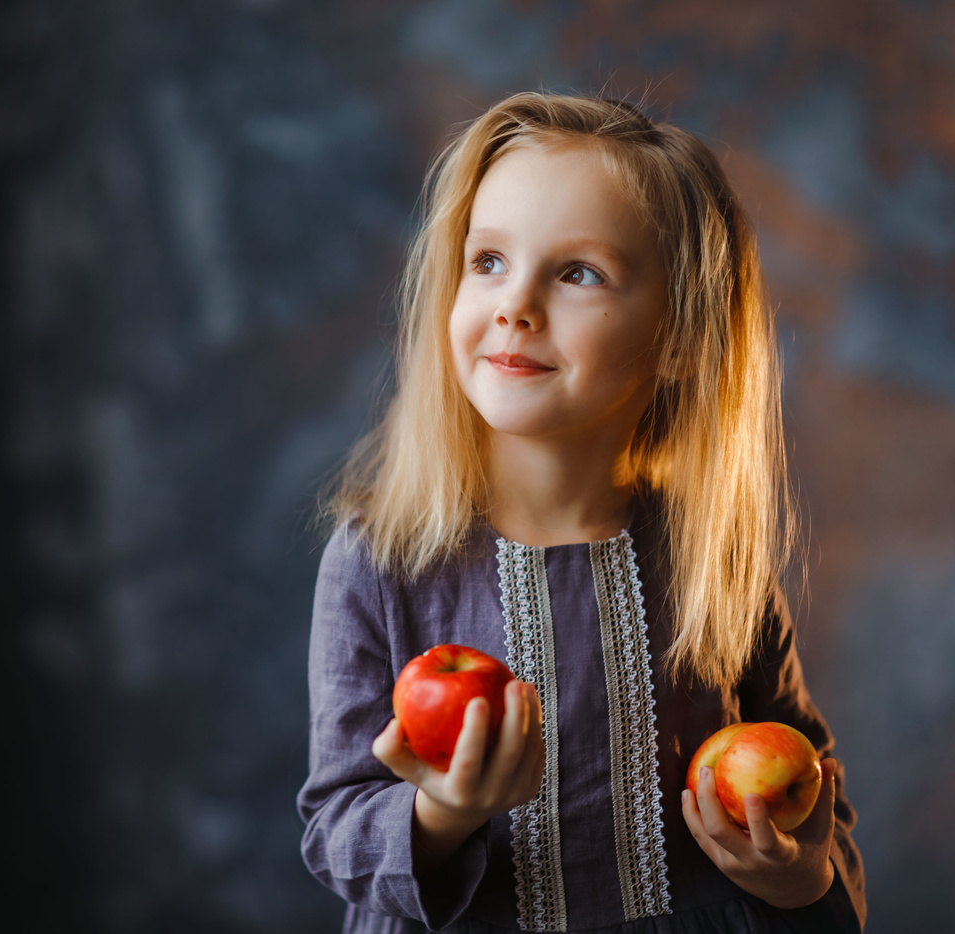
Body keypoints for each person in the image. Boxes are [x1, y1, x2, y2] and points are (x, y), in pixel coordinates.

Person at [297, 91, 865, 933]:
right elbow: (336, 828)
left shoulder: (714, 555)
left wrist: (796, 874)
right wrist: (443, 814)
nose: (514, 305)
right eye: (487, 260)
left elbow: (810, 779)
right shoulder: (382, 559)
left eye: (578, 273)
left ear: (676, 335)